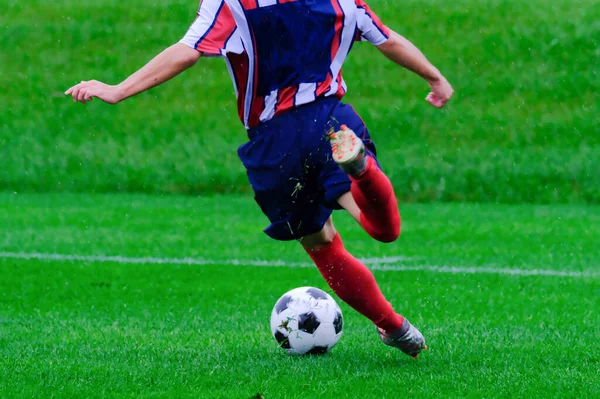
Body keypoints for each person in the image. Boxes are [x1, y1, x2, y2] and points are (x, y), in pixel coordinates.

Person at [65, 0, 453, 358]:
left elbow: (187, 51)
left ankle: (394, 326)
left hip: (275, 144)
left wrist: (118, 90)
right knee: (383, 230)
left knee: (322, 244)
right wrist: (434, 77)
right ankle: (361, 170)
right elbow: (385, 39)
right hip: (331, 124)